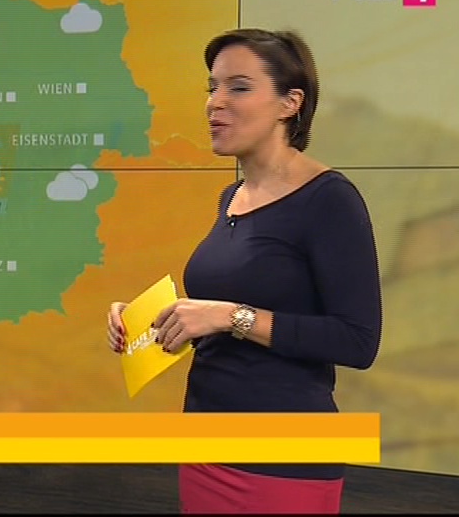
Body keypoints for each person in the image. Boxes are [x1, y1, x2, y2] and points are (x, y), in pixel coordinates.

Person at [107, 28, 383, 514]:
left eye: (238, 87)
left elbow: (358, 341)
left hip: (283, 460)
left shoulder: (329, 200)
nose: (215, 102)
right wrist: (154, 321)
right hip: (205, 443)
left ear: (289, 103)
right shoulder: (230, 198)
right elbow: (229, 310)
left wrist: (230, 316)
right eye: (212, 87)